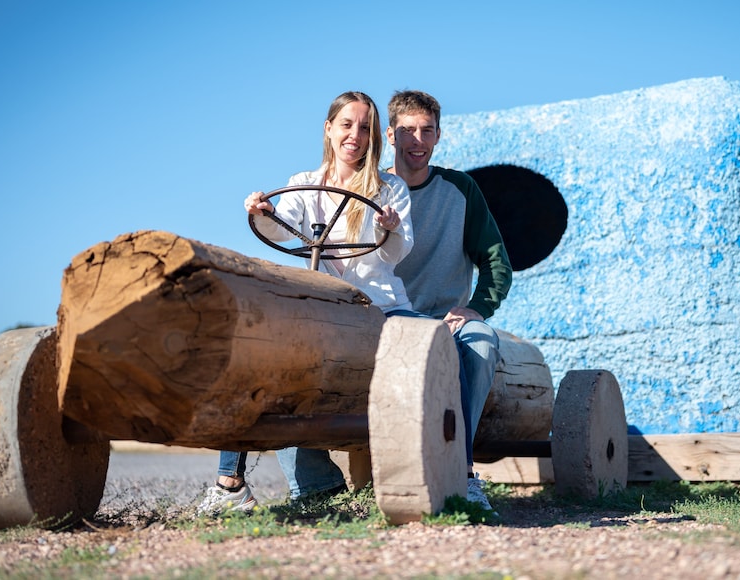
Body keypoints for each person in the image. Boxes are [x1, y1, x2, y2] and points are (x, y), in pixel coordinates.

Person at [275, 89, 513, 514]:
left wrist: (475, 308)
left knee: (479, 342)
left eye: (427, 131)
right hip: (374, 314)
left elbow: (496, 262)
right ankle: (306, 486)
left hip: (436, 318)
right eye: (408, 131)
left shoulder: (454, 190)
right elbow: (299, 228)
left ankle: (461, 467)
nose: (417, 140)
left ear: (438, 136)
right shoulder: (364, 185)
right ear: (391, 135)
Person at [197, 90, 415, 516]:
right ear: (329, 129)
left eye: (365, 127)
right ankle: (231, 484)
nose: (356, 134)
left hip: (378, 306)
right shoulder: (303, 185)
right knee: (261, 352)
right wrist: (262, 212)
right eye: (347, 124)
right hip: (327, 310)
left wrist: (388, 229)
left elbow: (396, 255)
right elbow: (283, 227)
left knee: (420, 347)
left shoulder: (389, 189)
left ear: (374, 138)